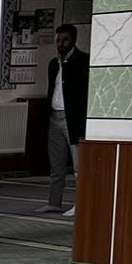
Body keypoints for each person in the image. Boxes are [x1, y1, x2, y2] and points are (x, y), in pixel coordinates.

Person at [44, 23, 89, 215]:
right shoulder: (54, 63)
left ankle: (80, 204)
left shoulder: (83, 61)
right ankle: (54, 202)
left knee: (78, 167)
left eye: (65, 40)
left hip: (74, 120)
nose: (61, 44)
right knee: (56, 165)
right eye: (58, 40)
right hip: (54, 117)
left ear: (73, 40)